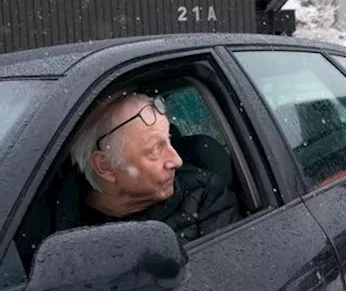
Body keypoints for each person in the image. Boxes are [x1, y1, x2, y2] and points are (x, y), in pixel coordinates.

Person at [68, 90, 241, 241]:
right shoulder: (62, 229)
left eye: (169, 139)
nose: (177, 161)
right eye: (155, 149)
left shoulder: (204, 194)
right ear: (105, 166)